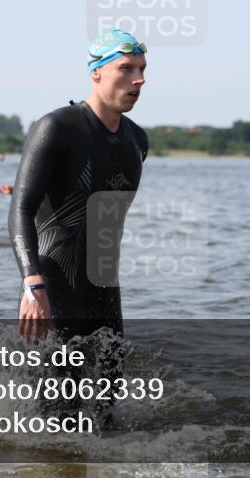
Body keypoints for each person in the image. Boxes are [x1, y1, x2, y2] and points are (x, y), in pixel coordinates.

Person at [9, 28, 149, 344]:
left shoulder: (137, 141)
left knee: (109, 393)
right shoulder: (56, 128)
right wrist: (33, 284)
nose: (138, 79)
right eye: (126, 68)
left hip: (106, 297)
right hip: (52, 291)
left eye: (141, 70)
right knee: (54, 394)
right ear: (96, 72)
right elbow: (21, 209)